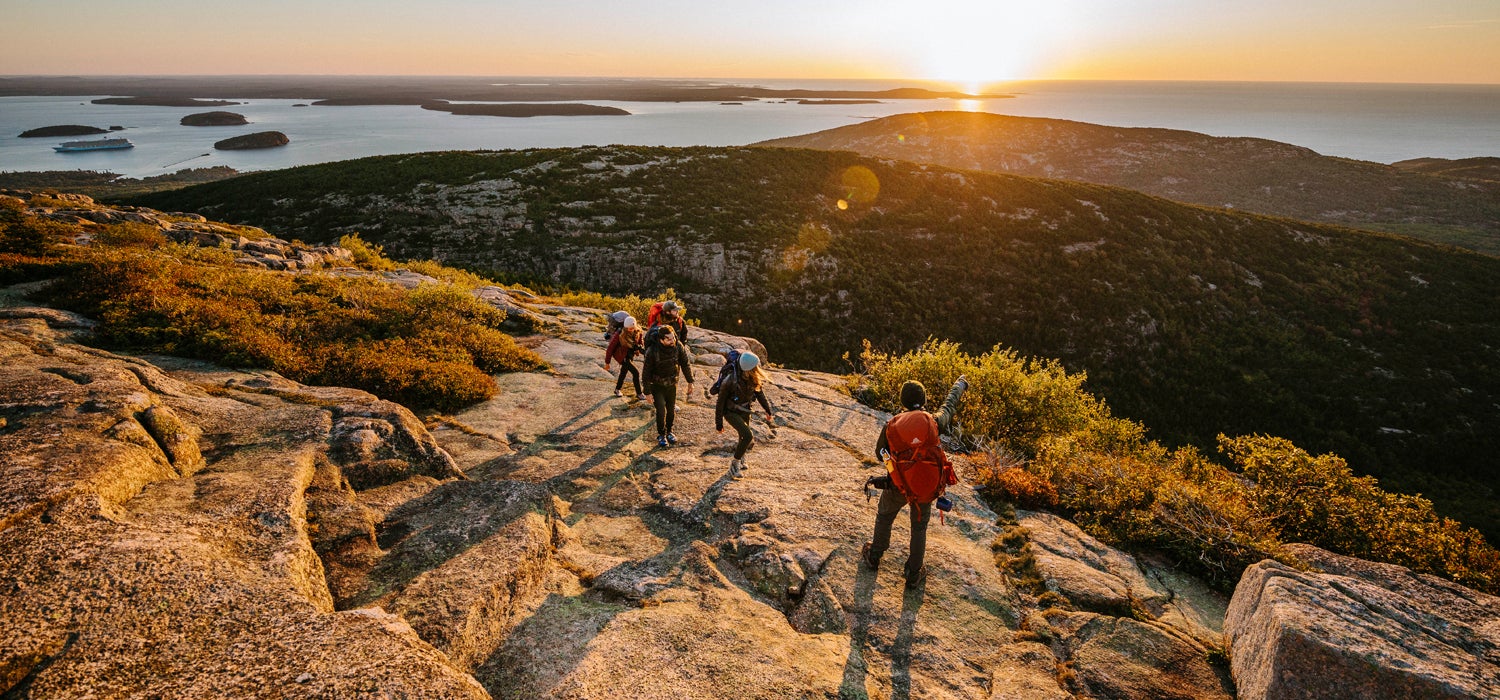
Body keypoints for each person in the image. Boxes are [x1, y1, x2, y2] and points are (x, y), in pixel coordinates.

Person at [862, 375, 968, 588]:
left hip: (898, 485)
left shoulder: (892, 425)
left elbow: (879, 453)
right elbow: (949, 406)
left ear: (903, 402)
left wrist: (894, 470)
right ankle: (913, 573)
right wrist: (960, 385)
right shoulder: (934, 421)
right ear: (924, 400)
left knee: (885, 515)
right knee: (919, 528)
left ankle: (875, 555)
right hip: (925, 486)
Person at [714, 351, 775, 479]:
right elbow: (720, 403)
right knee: (748, 436)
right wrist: (719, 424)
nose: (758, 368)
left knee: (743, 436)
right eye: (755, 366)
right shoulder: (730, 380)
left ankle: (741, 456)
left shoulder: (753, 377)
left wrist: (767, 410)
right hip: (730, 412)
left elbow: (760, 394)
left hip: (745, 410)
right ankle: (734, 465)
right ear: (749, 368)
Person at [640, 324, 695, 447]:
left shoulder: (678, 346)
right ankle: (661, 435)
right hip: (657, 385)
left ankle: (670, 431)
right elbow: (646, 372)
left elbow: (685, 364)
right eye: (669, 339)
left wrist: (690, 381)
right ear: (661, 340)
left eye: (673, 338)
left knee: (671, 411)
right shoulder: (652, 351)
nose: (672, 341)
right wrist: (647, 392)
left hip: (672, 384)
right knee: (661, 411)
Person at [604, 315, 645, 400]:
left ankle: (617, 389)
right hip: (622, 356)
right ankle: (639, 393)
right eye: (628, 328)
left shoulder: (638, 331)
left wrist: (640, 346)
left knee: (623, 372)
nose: (630, 330)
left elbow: (640, 341)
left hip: (630, 354)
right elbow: (610, 348)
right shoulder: (620, 334)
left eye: (632, 328)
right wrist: (607, 362)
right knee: (636, 373)